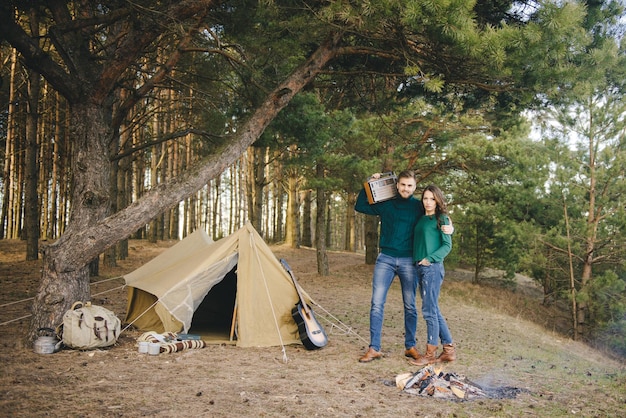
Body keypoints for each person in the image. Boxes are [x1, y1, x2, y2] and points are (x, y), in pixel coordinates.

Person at [355, 171, 453, 363]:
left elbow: (438, 215)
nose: (406, 188)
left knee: (410, 306)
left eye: (410, 186)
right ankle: (374, 347)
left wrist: (450, 226)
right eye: (402, 185)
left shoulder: (419, 206)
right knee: (376, 304)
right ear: (397, 185)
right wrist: (368, 183)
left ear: (414, 187)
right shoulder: (386, 203)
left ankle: (410, 347)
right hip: (386, 258)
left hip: (409, 261)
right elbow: (360, 205)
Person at [409, 184, 456, 366]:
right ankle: (448, 350)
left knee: (429, 311)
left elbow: (447, 245)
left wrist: (430, 259)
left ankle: (430, 354)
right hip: (420, 267)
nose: (428, 202)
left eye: (432, 199)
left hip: (432, 268)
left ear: (437, 200)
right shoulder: (421, 219)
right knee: (433, 309)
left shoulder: (442, 219)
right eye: (425, 198)